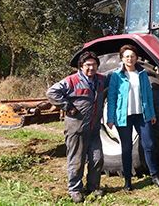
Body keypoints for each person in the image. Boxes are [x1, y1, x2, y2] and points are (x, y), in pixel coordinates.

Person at [47, 51, 106, 203]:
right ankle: (75, 189)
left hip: (93, 129)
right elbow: (52, 92)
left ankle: (93, 187)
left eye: (94, 65)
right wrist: (67, 106)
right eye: (87, 65)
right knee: (77, 160)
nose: (91, 68)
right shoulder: (72, 80)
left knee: (97, 159)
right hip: (76, 128)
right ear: (81, 66)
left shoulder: (100, 80)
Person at [106, 44, 159, 191]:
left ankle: (155, 176)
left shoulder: (143, 74)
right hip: (124, 117)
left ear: (136, 58)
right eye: (127, 56)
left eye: (132, 56)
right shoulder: (116, 76)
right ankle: (128, 181)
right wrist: (110, 117)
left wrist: (151, 113)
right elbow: (112, 97)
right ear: (122, 58)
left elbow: (148, 96)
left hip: (142, 115)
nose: (130, 58)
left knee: (149, 144)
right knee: (126, 148)